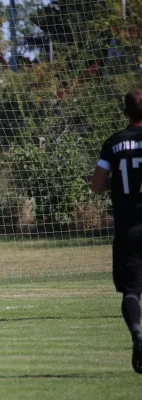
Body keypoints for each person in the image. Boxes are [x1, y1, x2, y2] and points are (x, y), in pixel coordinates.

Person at [91, 88, 142, 374]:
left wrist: (122, 186)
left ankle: (136, 334)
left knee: (131, 291)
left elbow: (97, 185)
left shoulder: (114, 143)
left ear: (125, 112)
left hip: (128, 229)